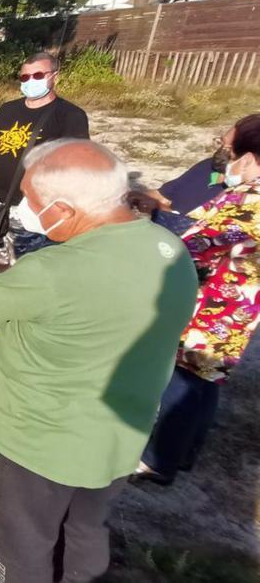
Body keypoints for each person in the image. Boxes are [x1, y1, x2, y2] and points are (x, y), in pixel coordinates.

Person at [0, 140, 197, 583]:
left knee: (23, 548)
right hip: (118, 438)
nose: (25, 208)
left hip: (35, 447)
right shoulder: (171, 251)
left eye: (32, 200)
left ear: (64, 210)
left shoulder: (48, 271)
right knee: (85, 531)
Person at [135, 113, 260, 486]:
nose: (227, 160)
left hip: (215, 307)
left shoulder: (249, 206)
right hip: (237, 306)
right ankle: (186, 451)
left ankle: (157, 460)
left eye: (231, 152)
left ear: (252, 159)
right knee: (207, 380)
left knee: (185, 380)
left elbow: (194, 244)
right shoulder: (242, 194)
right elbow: (198, 220)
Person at [0, 52, 89, 266]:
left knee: (27, 266)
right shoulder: (8, 109)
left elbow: (77, 166)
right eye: (25, 77)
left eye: (37, 75)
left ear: (55, 76)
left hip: (32, 207)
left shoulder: (70, 115)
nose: (30, 81)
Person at [128, 120, 236, 233]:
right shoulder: (209, 166)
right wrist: (128, 196)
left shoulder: (245, 194)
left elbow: (206, 233)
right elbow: (162, 195)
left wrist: (157, 207)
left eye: (231, 148)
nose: (222, 151)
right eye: (222, 143)